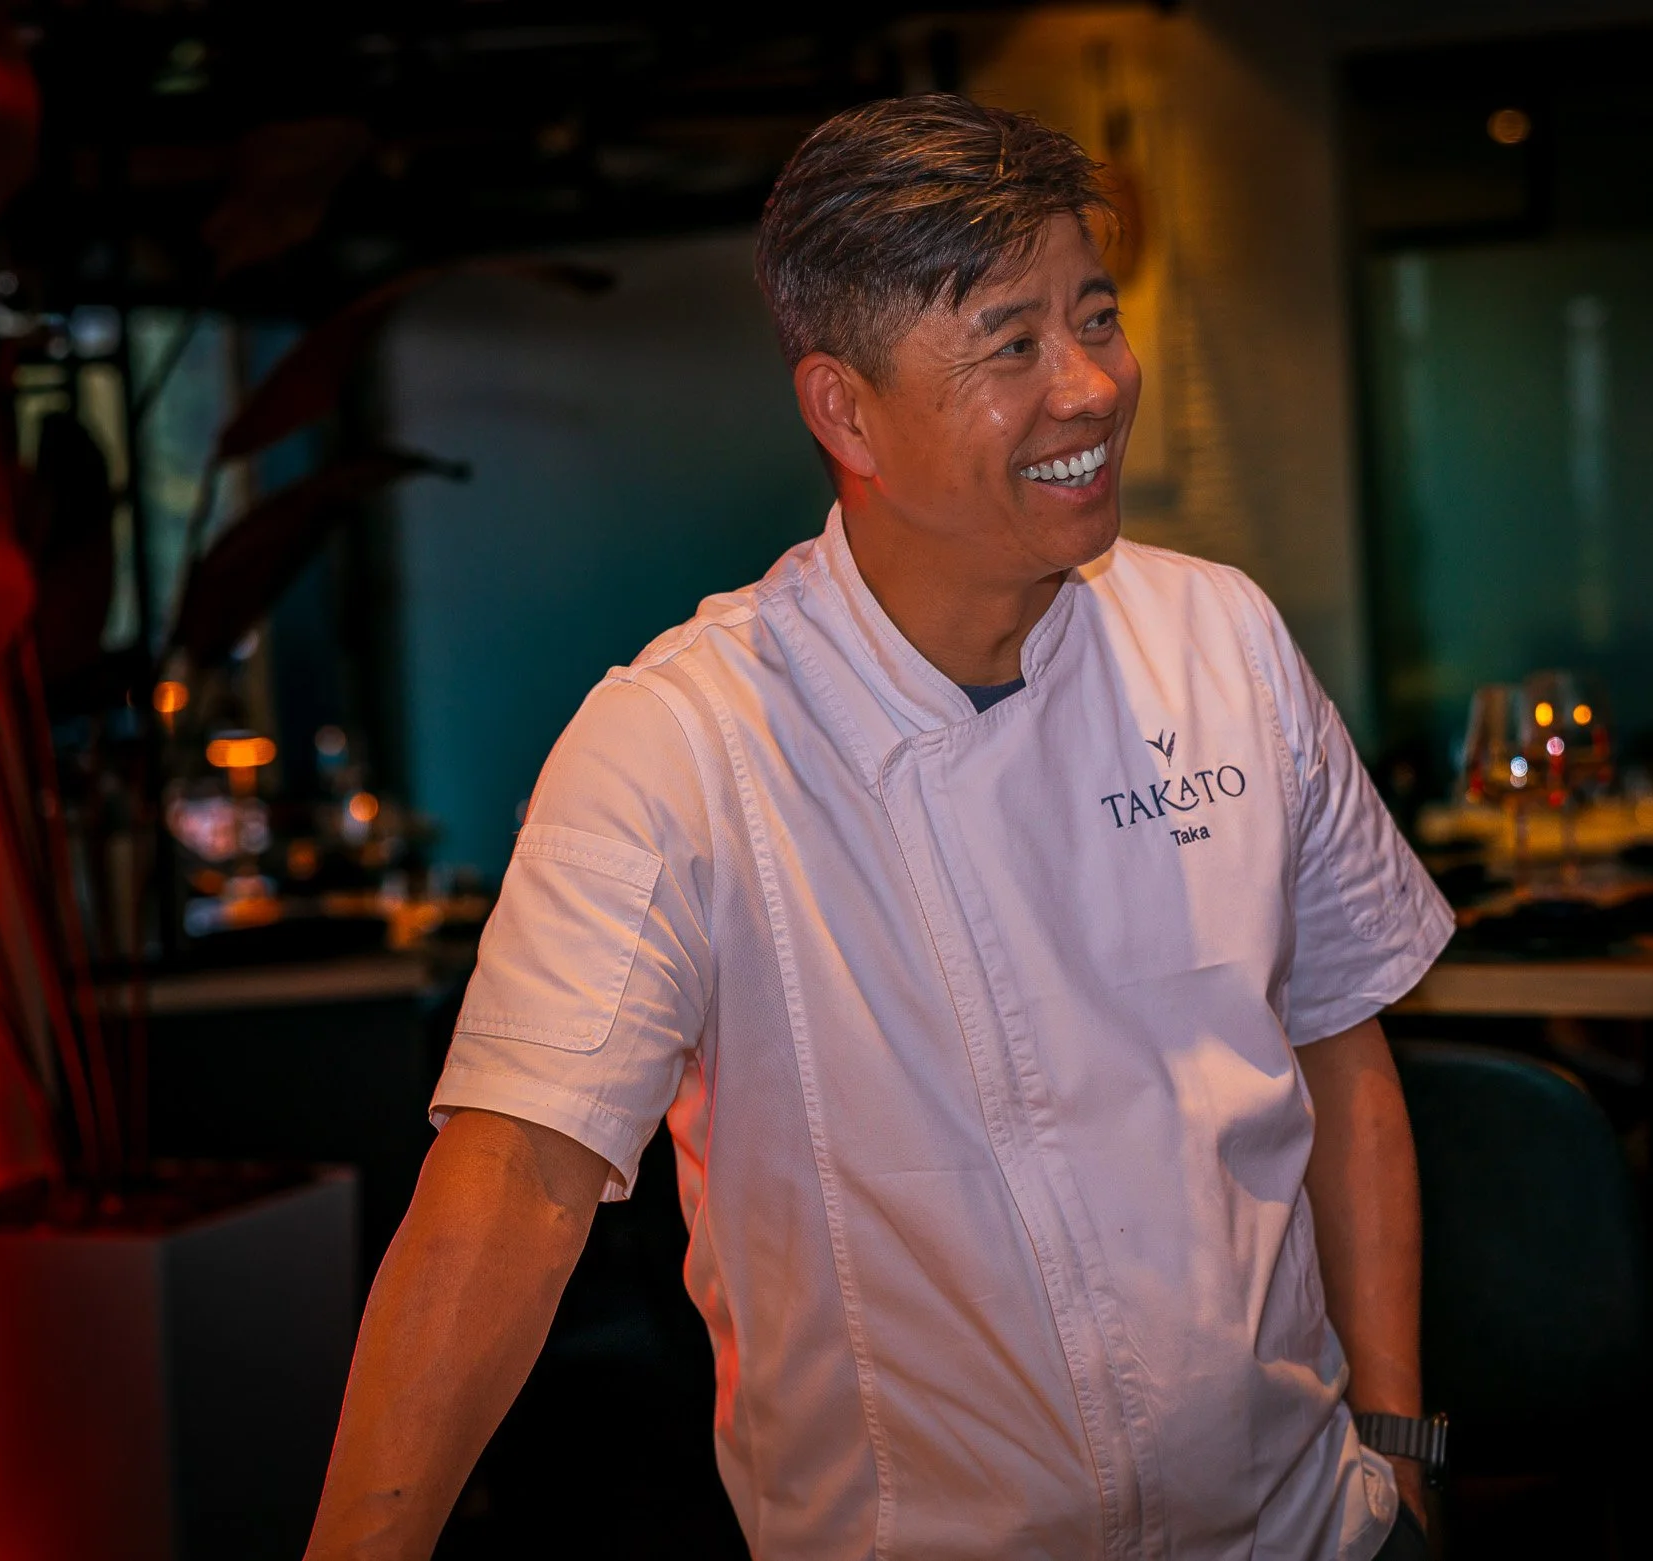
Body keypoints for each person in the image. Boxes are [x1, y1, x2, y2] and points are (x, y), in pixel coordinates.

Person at [304, 95, 1453, 1561]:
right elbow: (508, 1192)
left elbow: (1340, 1050)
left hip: (1308, 1536)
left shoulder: (1216, 638)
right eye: (1011, 345)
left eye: (1094, 317)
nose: (1091, 387)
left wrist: (1402, 1454)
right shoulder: (678, 743)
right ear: (845, 410)